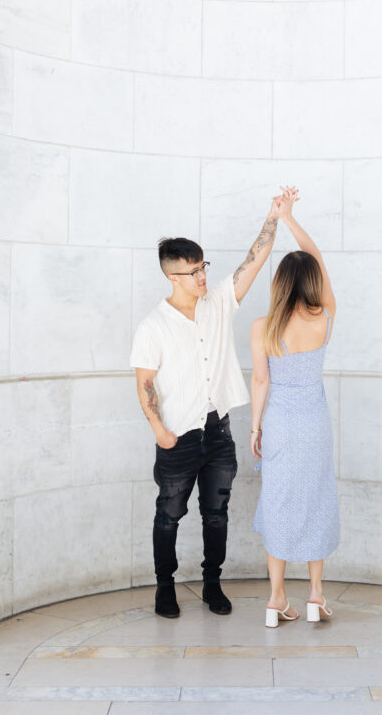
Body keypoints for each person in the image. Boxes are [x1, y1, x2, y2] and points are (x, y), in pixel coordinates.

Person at [131, 194, 282, 619]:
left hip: (218, 432)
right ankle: (165, 587)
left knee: (216, 515)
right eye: (193, 271)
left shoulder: (217, 303)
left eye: (203, 267)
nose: (202, 276)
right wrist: (159, 429)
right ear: (172, 276)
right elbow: (144, 383)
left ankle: (212, 583)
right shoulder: (153, 326)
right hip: (177, 434)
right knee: (170, 514)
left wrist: (272, 217)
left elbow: (253, 261)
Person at [250, 186, 340, 627]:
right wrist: (289, 220)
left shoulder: (262, 327)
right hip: (315, 424)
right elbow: (316, 256)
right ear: (313, 283)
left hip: (280, 425)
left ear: (279, 284)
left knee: (279, 502)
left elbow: (261, 380)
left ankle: (275, 598)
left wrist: (254, 429)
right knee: (317, 499)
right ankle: (315, 597)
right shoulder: (324, 316)